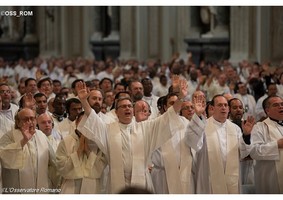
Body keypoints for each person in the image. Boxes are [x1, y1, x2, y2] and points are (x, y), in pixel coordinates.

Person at [76, 75, 187, 193]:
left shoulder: (145, 128)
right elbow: (93, 118)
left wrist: (180, 98)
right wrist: (83, 101)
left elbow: (168, 117)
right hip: (116, 181)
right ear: (116, 112)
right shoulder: (108, 129)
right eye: (123, 106)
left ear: (133, 111)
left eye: (129, 106)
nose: (127, 108)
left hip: (142, 181)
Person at [186, 94, 255, 194]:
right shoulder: (203, 126)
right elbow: (192, 142)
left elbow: (243, 153)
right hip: (209, 178)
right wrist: (197, 115)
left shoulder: (235, 128)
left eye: (225, 105)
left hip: (231, 178)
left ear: (228, 109)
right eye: (220, 105)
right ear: (212, 108)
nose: (223, 108)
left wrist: (247, 135)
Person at [0, 108, 60, 194]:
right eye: (25, 119)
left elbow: (53, 162)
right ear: (17, 122)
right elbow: (3, 156)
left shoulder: (41, 136)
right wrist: (23, 141)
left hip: (41, 189)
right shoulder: (10, 136)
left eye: (32, 118)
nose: (30, 122)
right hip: (16, 189)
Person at [56, 111, 107, 194]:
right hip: (70, 186)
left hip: (92, 186)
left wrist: (87, 151)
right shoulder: (66, 141)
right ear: (76, 123)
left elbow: (101, 167)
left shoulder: (98, 143)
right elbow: (61, 167)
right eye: (82, 122)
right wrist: (78, 152)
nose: (85, 126)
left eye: (88, 123)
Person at [250, 95, 283, 193]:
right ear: (267, 111)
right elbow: (254, 151)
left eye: (282, 104)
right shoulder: (259, 127)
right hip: (271, 178)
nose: (281, 107)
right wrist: (276, 145)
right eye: (276, 105)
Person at [228, 98, 255, 194]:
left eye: (240, 107)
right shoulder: (225, 126)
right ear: (229, 109)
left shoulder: (250, 124)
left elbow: (256, 146)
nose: (238, 110)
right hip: (232, 167)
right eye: (235, 107)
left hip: (249, 167)